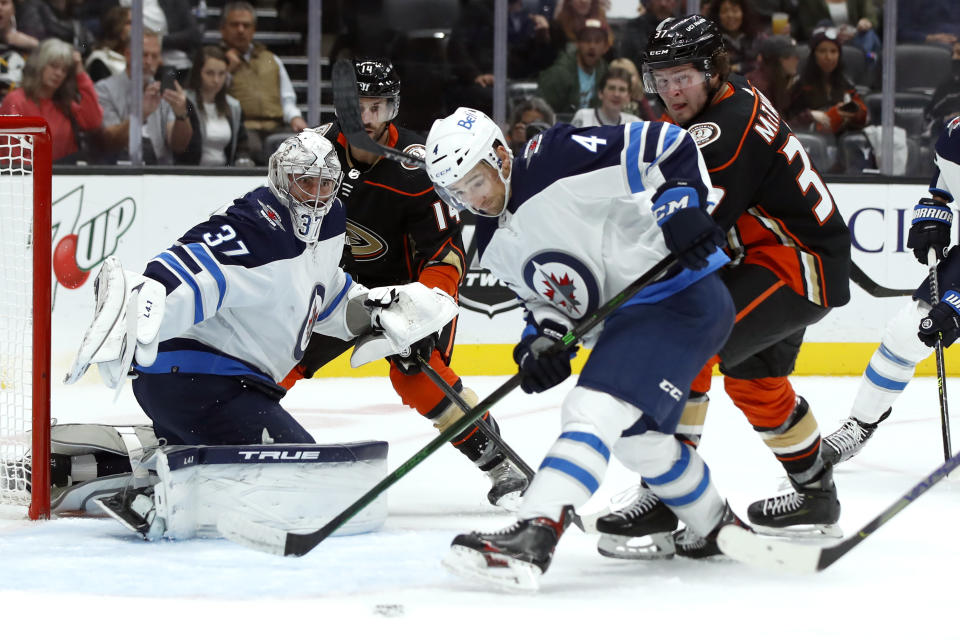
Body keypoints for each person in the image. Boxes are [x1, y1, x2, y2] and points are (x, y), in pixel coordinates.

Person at [62, 128, 458, 538]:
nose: (316, 195)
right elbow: (194, 261)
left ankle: (116, 470)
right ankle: (159, 493)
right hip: (195, 382)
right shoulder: (258, 222)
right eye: (305, 182)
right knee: (306, 483)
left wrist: (375, 313)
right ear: (282, 178)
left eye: (326, 184)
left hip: (225, 388)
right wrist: (146, 295)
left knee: (299, 477)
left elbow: (324, 294)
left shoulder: (331, 221)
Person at [425, 106, 749, 591]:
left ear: (499, 155)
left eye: (477, 181)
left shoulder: (551, 157)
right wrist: (541, 342)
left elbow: (666, 144)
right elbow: (544, 298)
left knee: (589, 407)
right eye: (459, 192)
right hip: (629, 320)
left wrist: (681, 206)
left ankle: (535, 531)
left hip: (678, 295)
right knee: (638, 443)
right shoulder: (490, 239)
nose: (475, 199)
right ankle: (719, 529)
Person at [595, 15, 852, 558]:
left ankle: (670, 496)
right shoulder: (732, 100)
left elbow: (688, 233)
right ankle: (816, 495)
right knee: (754, 379)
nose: (669, 90)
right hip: (791, 259)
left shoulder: (719, 132)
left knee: (684, 340)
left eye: (681, 76)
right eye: (660, 79)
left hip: (791, 264)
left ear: (712, 71)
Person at [283, 59, 528, 509]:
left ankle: (499, 463)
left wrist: (420, 310)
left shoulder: (419, 169)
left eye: (378, 107)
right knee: (280, 354)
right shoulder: (310, 154)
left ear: (393, 109)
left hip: (404, 293)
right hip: (335, 288)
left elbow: (446, 253)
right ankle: (221, 428)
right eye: (358, 109)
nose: (368, 121)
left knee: (419, 378)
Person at [822, 117, 960, 465]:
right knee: (906, 333)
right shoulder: (956, 131)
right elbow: (946, 175)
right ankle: (859, 424)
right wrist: (937, 208)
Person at [219, 1, 306, 163]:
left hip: (276, 126)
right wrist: (227, 70)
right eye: (234, 25)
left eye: (246, 25)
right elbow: (210, 96)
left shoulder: (271, 59)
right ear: (222, 29)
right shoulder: (215, 59)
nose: (240, 30)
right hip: (241, 128)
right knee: (253, 148)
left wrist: (295, 117)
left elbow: (287, 98)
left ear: (254, 30)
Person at [95, 29, 192, 164]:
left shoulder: (164, 91)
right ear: (128, 55)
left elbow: (179, 146)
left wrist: (181, 115)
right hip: (119, 171)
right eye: (144, 55)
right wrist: (140, 115)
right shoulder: (104, 89)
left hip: (159, 172)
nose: (148, 61)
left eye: (154, 56)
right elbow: (109, 142)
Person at [0, 38, 102, 163]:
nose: (59, 73)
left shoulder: (65, 104)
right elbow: (14, 156)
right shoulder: (15, 101)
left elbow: (93, 121)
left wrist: (80, 72)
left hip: (67, 177)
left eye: (64, 70)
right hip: (26, 178)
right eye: (53, 66)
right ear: (39, 65)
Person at [786, 26, 867, 138]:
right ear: (814, 55)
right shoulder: (800, 85)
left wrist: (855, 115)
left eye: (833, 51)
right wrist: (824, 116)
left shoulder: (846, 84)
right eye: (822, 51)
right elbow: (789, 122)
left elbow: (863, 117)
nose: (828, 57)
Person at [176, 46, 251, 166]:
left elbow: (241, 145)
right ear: (197, 72)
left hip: (224, 175)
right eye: (210, 73)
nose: (216, 80)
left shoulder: (233, 106)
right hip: (190, 174)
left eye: (221, 74)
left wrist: (243, 159)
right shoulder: (183, 102)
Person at [537, 18, 610, 116]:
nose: (592, 46)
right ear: (577, 44)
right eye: (587, 40)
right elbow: (542, 112)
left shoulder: (606, 74)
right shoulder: (558, 74)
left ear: (605, 47)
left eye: (597, 41)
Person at [745, 35, 800, 115]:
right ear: (777, 61)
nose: (797, 59)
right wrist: (808, 116)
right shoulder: (760, 88)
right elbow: (772, 125)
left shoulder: (780, 79)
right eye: (791, 55)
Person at [570, 67, 641, 126]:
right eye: (611, 88)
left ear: (628, 96)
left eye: (622, 90)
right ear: (600, 93)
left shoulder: (635, 124)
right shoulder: (583, 117)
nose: (616, 94)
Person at [708, 0, 764, 75]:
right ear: (717, 15)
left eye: (735, 10)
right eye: (724, 11)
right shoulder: (712, 41)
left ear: (744, 12)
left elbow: (762, 64)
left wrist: (733, 68)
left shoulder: (757, 37)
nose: (730, 15)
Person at [0, 0, 38, 102]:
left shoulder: (27, 42)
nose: (0, 8)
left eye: (4, 3)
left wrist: (35, 45)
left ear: (14, 9)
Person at [84, 5, 129, 83]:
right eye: (129, 23)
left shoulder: (141, 58)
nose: (138, 27)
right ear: (116, 27)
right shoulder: (100, 59)